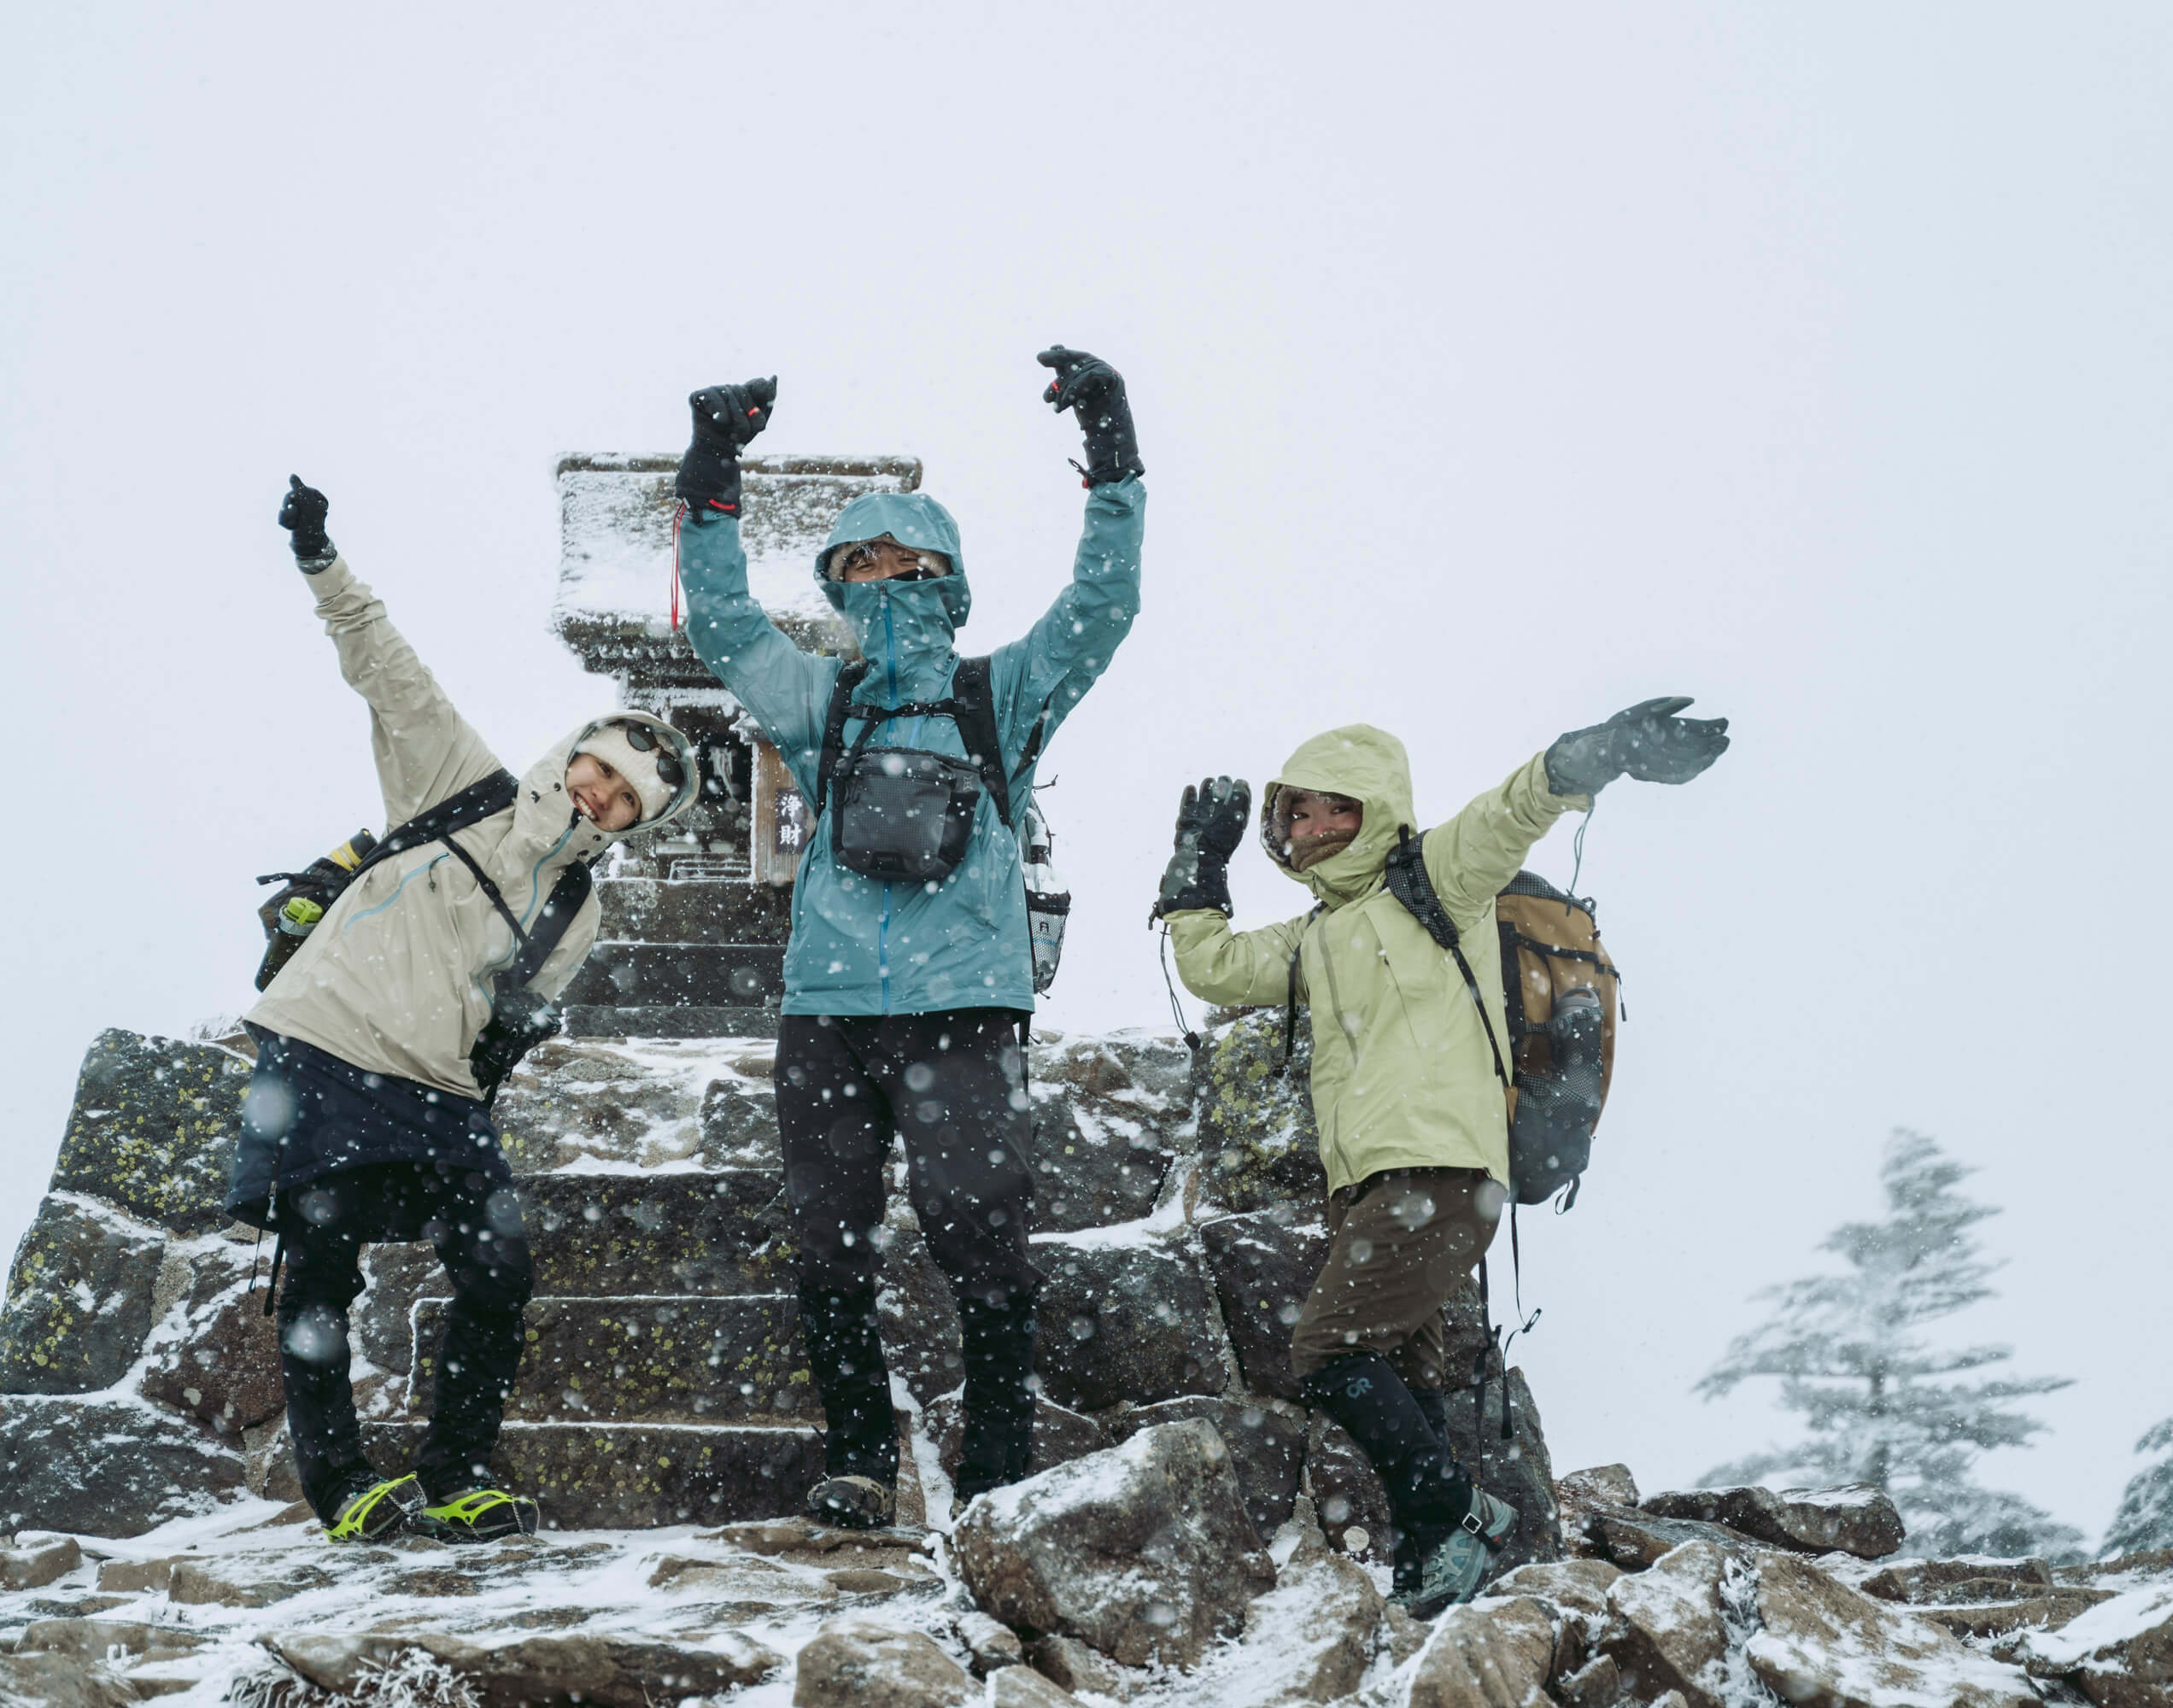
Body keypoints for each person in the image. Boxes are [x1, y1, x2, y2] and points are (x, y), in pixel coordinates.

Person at [672, 351, 1146, 1528]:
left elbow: (1105, 605)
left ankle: (992, 1469)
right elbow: (725, 623)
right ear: (840, 582)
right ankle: (859, 1461)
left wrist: (1114, 453)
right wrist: (713, 471)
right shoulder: (820, 701)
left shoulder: (1003, 695)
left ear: (946, 575)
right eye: (859, 562)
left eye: (904, 558)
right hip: (826, 1010)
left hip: (963, 1006)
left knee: (980, 1247)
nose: (882, 575)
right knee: (828, 1251)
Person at [1154, 699, 1729, 1611]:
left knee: (1327, 1354)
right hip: (1369, 1182)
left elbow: (1516, 804)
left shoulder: (1438, 878)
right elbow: (1214, 966)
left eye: (1320, 807)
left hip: (1441, 1170)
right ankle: (1440, 1558)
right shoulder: (1312, 936)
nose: (1301, 828)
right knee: (1406, 1372)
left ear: (1367, 807)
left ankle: (1461, 1511)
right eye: (1289, 813)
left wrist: (1600, 750)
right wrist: (1196, 866)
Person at [225, 476, 700, 1545]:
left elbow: (509, 1012)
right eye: (601, 770)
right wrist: (319, 555)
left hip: (434, 1084)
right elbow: (384, 662)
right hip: (329, 1040)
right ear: (574, 750)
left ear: (633, 823)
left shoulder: (574, 906)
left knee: (500, 1266)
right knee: (322, 1267)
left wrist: (509, 1038)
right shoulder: (462, 780)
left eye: (627, 800)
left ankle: (458, 1469)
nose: (601, 797)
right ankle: (343, 1487)